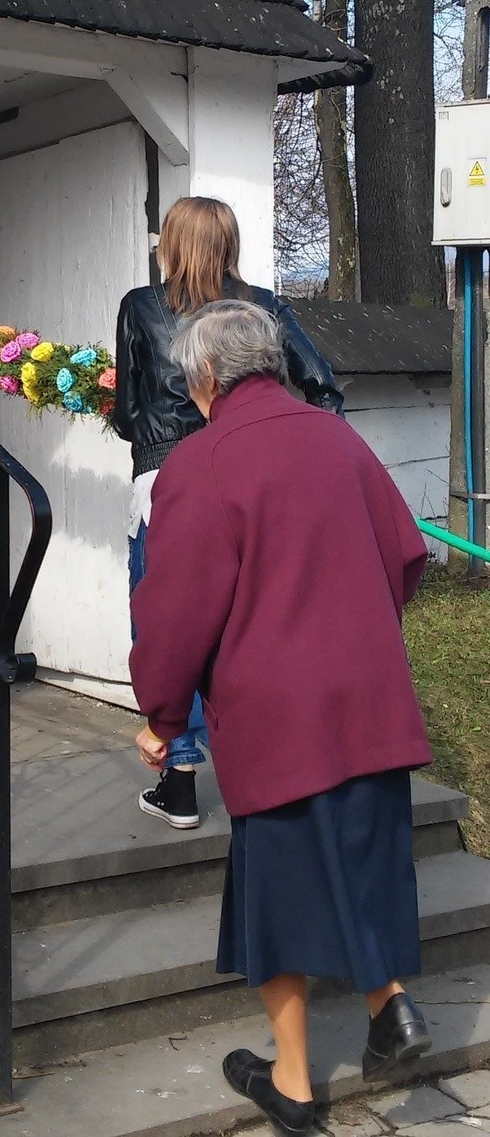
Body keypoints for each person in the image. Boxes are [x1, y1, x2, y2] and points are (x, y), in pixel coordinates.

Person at [130, 300, 432, 1137]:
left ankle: (295, 1085)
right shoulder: (340, 437)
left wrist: (160, 715)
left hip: (276, 717)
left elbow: (174, 614)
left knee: (275, 898)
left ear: (201, 381)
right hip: (369, 702)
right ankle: (393, 1008)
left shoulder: (201, 462)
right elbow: (406, 556)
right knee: (360, 863)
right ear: (272, 363)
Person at [114, 197, 343, 828]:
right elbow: (322, 386)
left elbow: (128, 410)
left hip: (164, 478)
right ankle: (264, 763)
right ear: (229, 241)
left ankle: (180, 778)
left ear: (171, 243)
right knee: (253, 616)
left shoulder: (140, 306)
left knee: (167, 618)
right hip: (255, 475)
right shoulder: (261, 306)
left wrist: (154, 432)